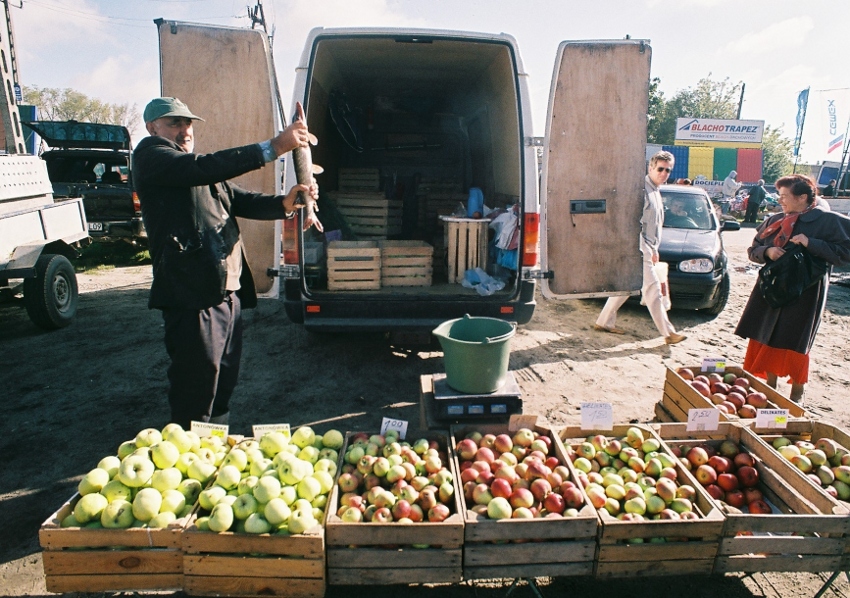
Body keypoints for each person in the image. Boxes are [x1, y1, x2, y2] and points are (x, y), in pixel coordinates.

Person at [133, 97, 320, 428]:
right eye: (174, 123)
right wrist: (274, 147)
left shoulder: (195, 167)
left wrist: (285, 203)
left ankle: (214, 445)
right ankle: (189, 452)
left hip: (226, 291)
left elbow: (241, 200)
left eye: (187, 123)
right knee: (196, 383)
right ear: (152, 128)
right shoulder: (152, 156)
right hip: (192, 295)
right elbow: (205, 168)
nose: (184, 130)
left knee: (223, 378)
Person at [734, 174, 850, 403]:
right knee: (766, 335)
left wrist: (811, 243)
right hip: (770, 289)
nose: (781, 201)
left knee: (795, 340)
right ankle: (769, 387)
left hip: (805, 292)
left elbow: (845, 253)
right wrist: (767, 252)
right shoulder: (774, 220)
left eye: (785, 196)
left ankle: (797, 393)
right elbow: (753, 249)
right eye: (780, 196)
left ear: (803, 197)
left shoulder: (828, 221)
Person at [594, 150, 687, 344]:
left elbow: (652, 225)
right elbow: (630, 224)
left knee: (627, 287)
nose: (664, 173)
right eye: (660, 169)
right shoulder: (641, 190)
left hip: (644, 247)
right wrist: (648, 250)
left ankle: (604, 321)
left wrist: (654, 248)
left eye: (668, 170)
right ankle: (668, 333)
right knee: (653, 290)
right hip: (637, 248)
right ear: (650, 168)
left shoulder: (655, 190)